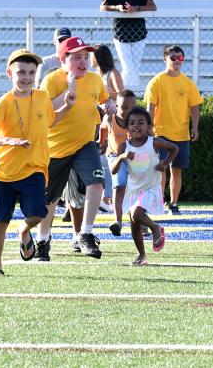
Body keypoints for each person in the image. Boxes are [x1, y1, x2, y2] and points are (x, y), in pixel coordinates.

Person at [0, 49, 73, 277]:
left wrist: (67, 107)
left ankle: (23, 231)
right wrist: (9, 140)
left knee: (39, 214)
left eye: (31, 72)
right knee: (0, 220)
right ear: (9, 73)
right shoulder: (5, 102)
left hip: (34, 167)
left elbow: (50, 120)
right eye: (21, 72)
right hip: (4, 171)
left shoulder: (41, 97)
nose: (27, 77)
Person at [35, 36, 115, 261]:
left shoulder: (94, 79)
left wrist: (109, 105)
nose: (83, 62)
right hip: (55, 148)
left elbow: (105, 99)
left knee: (97, 183)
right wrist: (68, 89)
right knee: (48, 201)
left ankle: (86, 233)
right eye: (77, 57)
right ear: (63, 58)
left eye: (86, 57)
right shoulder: (51, 80)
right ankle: (43, 240)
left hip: (84, 145)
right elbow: (44, 111)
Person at [110, 107, 177, 266]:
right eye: (132, 123)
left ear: (149, 127)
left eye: (141, 122)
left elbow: (174, 148)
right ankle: (141, 255)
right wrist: (122, 157)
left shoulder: (153, 142)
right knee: (134, 224)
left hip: (151, 187)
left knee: (137, 213)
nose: (136, 126)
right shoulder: (123, 147)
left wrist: (165, 164)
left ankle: (155, 228)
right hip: (133, 190)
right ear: (127, 128)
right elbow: (113, 171)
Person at [145, 45, 203, 215]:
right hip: (160, 133)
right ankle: (158, 203)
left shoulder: (188, 83)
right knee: (160, 169)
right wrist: (150, 129)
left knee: (176, 170)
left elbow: (194, 107)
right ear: (165, 59)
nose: (177, 61)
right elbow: (150, 107)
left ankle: (174, 204)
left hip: (181, 134)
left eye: (180, 58)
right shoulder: (156, 81)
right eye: (173, 57)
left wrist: (195, 127)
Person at [100, 0, 157, 91]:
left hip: (139, 35)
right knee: (128, 67)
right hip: (121, 35)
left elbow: (153, 7)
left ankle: (127, 94)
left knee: (134, 67)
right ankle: (127, 94)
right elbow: (103, 7)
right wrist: (117, 8)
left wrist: (137, 8)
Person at [92, 43, 124, 212]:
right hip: (98, 117)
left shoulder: (112, 73)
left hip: (109, 117)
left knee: (108, 157)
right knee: (100, 158)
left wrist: (110, 104)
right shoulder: (97, 75)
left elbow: (121, 94)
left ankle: (108, 198)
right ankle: (103, 197)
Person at [102, 89, 137, 236]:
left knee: (137, 187)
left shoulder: (136, 121)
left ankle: (139, 221)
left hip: (133, 157)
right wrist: (101, 141)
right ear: (117, 106)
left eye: (131, 108)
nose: (127, 111)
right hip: (115, 156)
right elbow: (103, 128)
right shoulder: (111, 119)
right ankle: (118, 221)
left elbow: (148, 134)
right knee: (119, 185)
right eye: (123, 107)